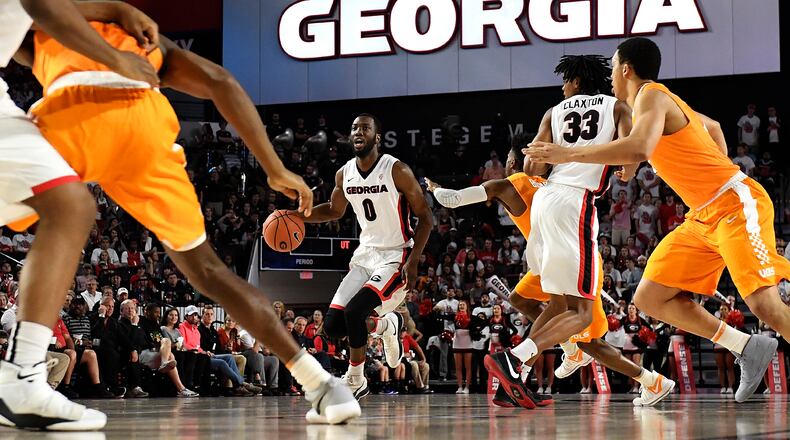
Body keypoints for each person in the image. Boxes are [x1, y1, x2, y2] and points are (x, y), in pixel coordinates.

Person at [16, 19, 358, 424]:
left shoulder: (49, 20)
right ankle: (321, 384)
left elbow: (18, 33)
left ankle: (21, 374)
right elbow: (220, 80)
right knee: (210, 272)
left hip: (79, 108)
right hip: (146, 128)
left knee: (35, 207)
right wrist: (274, 167)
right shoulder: (143, 34)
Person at [526, 37, 788, 403]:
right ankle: (746, 346)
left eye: (615, 68)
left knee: (764, 306)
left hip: (734, 204)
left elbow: (637, 148)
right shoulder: (649, 107)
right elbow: (711, 128)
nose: (612, 78)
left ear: (625, 68)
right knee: (650, 297)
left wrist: (564, 152)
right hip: (703, 216)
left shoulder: (650, 94)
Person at [428, 131, 673, 409]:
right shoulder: (549, 183)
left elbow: (452, 199)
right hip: (552, 261)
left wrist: (434, 188)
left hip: (572, 262)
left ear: (514, 160)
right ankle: (551, 356)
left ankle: (651, 381)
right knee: (521, 299)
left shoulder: (511, 184)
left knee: (588, 342)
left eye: (508, 157)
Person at [288, 114, 433, 401]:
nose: (358, 132)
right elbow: (333, 209)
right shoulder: (344, 174)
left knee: (355, 312)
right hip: (364, 255)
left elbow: (426, 217)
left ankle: (357, 378)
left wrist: (414, 260)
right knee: (332, 326)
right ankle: (388, 326)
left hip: (395, 254)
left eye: (365, 128)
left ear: (377, 137)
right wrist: (298, 216)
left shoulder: (397, 170)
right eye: (354, 128)